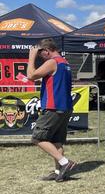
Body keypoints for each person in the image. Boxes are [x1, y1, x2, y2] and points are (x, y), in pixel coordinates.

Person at [27, 38, 77, 182]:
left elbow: (31, 76)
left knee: (37, 138)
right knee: (56, 141)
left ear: (47, 51)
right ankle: (58, 172)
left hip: (53, 107)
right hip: (65, 106)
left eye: (41, 54)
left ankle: (64, 162)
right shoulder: (64, 62)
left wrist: (31, 58)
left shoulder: (52, 62)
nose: (40, 58)